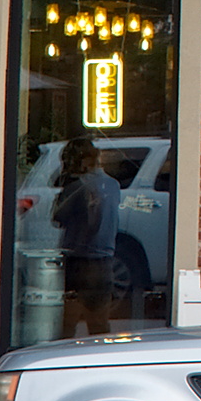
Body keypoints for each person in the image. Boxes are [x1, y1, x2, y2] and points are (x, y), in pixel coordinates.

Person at [52, 136, 122, 337]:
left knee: (66, 326)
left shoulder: (76, 187)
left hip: (78, 260)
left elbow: (57, 218)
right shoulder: (113, 186)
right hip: (105, 261)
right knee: (99, 326)